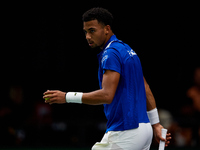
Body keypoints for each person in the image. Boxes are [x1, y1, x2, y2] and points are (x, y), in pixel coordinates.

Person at [43, 7, 171, 150]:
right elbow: (145, 88)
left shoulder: (110, 53)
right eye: (85, 32)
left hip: (126, 131)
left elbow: (107, 95)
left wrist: (66, 97)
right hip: (144, 130)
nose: (87, 37)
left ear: (107, 29)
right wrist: (156, 124)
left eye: (92, 30)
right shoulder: (127, 50)